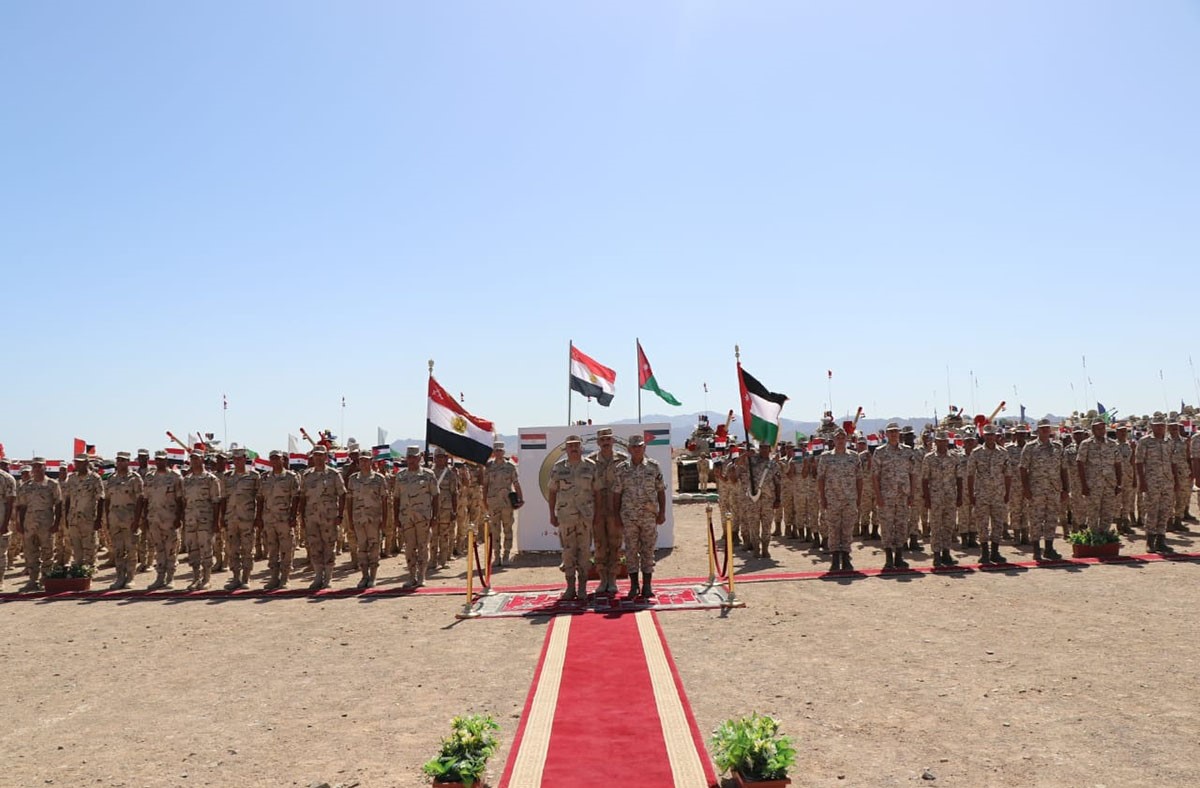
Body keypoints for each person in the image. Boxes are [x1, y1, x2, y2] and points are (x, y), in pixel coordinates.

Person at [547, 435, 600, 601]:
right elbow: (552, 492)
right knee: (568, 552)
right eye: (570, 446)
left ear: (581, 447)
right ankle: (570, 587)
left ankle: (582, 587)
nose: (574, 448)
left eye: (576, 445)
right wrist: (552, 514)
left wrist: (597, 514)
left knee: (584, 552)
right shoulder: (558, 468)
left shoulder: (591, 466)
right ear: (566, 449)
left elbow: (597, 492)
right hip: (566, 516)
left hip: (585, 517)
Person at [613, 434, 666, 599]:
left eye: (640, 446)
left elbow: (660, 490)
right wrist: (616, 516)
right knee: (631, 550)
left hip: (649, 516)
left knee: (648, 550)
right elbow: (617, 494)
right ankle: (634, 585)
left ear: (644, 448)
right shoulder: (621, 468)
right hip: (629, 516)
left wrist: (662, 512)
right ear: (629, 449)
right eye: (634, 446)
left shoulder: (653, 467)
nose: (637, 449)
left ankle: (647, 585)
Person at [1020, 419, 1068, 561]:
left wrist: (1066, 488)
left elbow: (1063, 469)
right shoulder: (1030, 447)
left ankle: (1049, 549)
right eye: (1042, 428)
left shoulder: (1058, 447)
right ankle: (1036, 550)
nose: (1045, 430)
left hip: (1054, 489)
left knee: (1051, 519)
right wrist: (1026, 489)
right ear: (1038, 430)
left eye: (1047, 428)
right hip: (1036, 490)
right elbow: (1023, 469)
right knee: (1036, 520)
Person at [299, 445, 346, 591]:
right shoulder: (307, 475)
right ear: (312, 457)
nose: (318, 458)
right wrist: (302, 517)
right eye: (316, 455)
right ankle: (318, 576)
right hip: (311, 517)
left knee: (329, 546)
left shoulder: (333, 474)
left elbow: (342, 494)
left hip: (329, 517)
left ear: (326, 457)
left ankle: (328, 577)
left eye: (321, 455)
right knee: (315, 546)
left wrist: (340, 515)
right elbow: (302, 497)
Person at [586, 427, 625, 594]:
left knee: (615, 545)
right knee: (600, 545)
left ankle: (613, 579)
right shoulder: (590, 461)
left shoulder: (623, 460)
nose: (605, 442)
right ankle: (603, 579)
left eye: (608, 439)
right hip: (598, 510)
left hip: (616, 510)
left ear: (613, 440)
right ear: (598, 442)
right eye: (602, 440)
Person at [817, 429, 862, 571]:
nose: (841, 440)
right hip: (832, 499)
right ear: (833, 440)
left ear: (846, 440)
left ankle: (846, 558)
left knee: (847, 529)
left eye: (843, 437)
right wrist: (822, 498)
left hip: (850, 499)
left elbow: (859, 479)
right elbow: (820, 479)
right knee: (833, 529)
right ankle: (835, 559)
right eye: (838, 438)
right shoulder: (825, 457)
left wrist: (859, 497)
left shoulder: (854, 457)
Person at [873, 423, 915, 569]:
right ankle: (888, 558)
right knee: (887, 526)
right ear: (886, 434)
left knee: (901, 525)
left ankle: (899, 557)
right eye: (891, 432)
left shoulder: (907, 451)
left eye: (896, 432)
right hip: (886, 496)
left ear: (899, 434)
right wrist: (878, 496)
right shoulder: (880, 452)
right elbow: (875, 476)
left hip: (903, 495)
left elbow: (912, 474)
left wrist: (912, 494)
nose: (893, 434)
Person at [15, 458, 61, 592]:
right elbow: (22, 507)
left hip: (46, 523)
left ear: (44, 467)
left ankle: (46, 580)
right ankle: (33, 580)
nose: (36, 469)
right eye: (34, 466)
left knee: (47, 552)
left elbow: (58, 504)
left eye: (39, 466)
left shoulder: (52, 484)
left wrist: (57, 523)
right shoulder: (26, 486)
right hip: (29, 524)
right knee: (30, 553)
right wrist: (20, 523)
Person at [393, 445, 436, 588]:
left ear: (420, 458)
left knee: (423, 547)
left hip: (423, 518)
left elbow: (435, 496)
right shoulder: (400, 476)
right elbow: (396, 498)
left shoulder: (428, 475)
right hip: (406, 518)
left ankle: (422, 576)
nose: (411, 460)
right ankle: (411, 576)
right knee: (409, 548)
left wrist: (434, 517)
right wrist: (396, 518)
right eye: (409, 457)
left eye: (414, 457)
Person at [968, 424, 1011, 564]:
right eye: (987, 435)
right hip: (982, 494)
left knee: (998, 523)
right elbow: (970, 475)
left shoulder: (1003, 453)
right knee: (982, 523)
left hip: (998, 493)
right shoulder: (976, 452)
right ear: (983, 436)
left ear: (996, 436)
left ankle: (995, 552)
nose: (990, 437)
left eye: (992, 435)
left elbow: (1008, 474)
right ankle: (985, 552)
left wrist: (1007, 492)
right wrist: (971, 494)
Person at [258, 450, 300, 590]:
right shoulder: (265, 478)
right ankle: (274, 577)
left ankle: (285, 578)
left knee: (287, 549)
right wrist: (259, 517)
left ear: (283, 460)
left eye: (277, 458)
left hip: (285, 519)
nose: (275, 461)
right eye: (272, 458)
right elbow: (261, 498)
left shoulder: (291, 477)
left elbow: (296, 498)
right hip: (269, 519)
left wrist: (293, 516)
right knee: (272, 549)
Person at [221, 448, 262, 590]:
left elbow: (259, 498)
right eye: (235, 459)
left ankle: (246, 578)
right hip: (231, 518)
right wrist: (222, 517)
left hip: (247, 518)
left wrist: (258, 517)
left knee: (247, 549)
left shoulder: (254, 476)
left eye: (240, 458)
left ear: (245, 459)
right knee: (232, 549)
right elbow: (223, 499)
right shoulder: (227, 477)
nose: (237, 461)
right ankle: (235, 577)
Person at [104, 452, 145, 590]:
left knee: (131, 549)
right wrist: (108, 518)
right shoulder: (111, 479)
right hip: (115, 519)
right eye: (118, 460)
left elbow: (140, 500)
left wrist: (137, 520)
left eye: (123, 460)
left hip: (129, 519)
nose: (120, 462)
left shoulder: (135, 478)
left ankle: (131, 577)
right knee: (118, 550)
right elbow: (107, 500)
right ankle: (120, 577)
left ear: (128, 462)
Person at [1136, 413, 1176, 554]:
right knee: (1152, 510)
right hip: (1151, 481)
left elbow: (1173, 462)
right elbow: (1139, 462)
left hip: (1167, 481)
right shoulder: (1145, 441)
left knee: (1165, 511)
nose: (1160, 428)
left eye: (1162, 425)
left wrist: (1175, 480)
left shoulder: (1169, 441)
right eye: (1157, 425)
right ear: (1152, 426)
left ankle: (1161, 540)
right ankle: (1150, 541)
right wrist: (1142, 482)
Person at [182, 452, 222, 590]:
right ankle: (195, 578)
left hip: (206, 520)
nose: (193, 461)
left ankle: (206, 579)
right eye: (192, 458)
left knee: (206, 549)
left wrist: (216, 522)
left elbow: (216, 502)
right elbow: (184, 501)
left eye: (196, 458)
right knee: (192, 550)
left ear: (202, 460)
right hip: (190, 520)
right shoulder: (187, 480)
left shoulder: (211, 479)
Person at [144, 451, 184, 590]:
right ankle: (160, 577)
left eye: (162, 460)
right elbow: (146, 499)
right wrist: (145, 518)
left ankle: (170, 578)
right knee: (159, 549)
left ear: (167, 461)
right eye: (157, 459)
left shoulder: (175, 477)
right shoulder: (149, 477)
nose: (159, 462)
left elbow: (180, 500)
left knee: (171, 549)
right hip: (154, 518)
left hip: (170, 519)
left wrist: (179, 518)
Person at [1076, 418, 1122, 537]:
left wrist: (1119, 484)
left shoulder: (1112, 444)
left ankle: (1104, 536)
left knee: (1107, 512)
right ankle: (1094, 537)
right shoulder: (1086, 444)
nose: (1101, 431)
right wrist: (1084, 485)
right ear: (1093, 430)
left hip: (1109, 484)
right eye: (1098, 428)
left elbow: (1117, 464)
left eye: (1103, 428)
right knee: (1093, 512)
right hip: (1093, 485)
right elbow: (1080, 464)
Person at [347, 452, 387, 589]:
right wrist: (350, 520)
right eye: (361, 460)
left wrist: (384, 520)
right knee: (362, 548)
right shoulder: (353, 479)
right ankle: (364, 576)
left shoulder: (379, 479)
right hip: (358, 519)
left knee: (374, 548)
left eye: (366, 460)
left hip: (374, 520)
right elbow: (349, 501)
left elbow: (384, 500)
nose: (363, 463)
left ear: (371, 461)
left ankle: (373, 577)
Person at [923, 431, 961, 567]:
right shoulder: (929, 458)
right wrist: (927, 499)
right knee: (935, 526)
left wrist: (960, 496)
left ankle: (946, 553)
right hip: (935, 498)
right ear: (936, 442)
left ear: (947, 442)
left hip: (950, 497)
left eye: (944, 441)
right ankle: (936, 555)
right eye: (939, 441)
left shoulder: (954, 457)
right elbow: (925, 480)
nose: (942, 443)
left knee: (949, 525)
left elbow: (959, 478)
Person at [482, 441, 523, 566]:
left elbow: (516, 484)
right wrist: (484, 501)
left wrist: (520, 499)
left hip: (507, 504)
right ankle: (497, 556)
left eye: (500, 450)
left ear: (504, 452)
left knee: (507, 529)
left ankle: (506, 555)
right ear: (493, 453)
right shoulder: (489, 467)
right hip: (493, 503)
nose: (498, 453)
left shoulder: (510, 467)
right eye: (496, 450)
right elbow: (485, 485)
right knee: (495, 531)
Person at [62, 454, 105, 568]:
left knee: (90, 545)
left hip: (88, 518)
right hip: (73, 518)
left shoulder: (95, 478)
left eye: (80, 462)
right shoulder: (71, 478)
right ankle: (78, 568)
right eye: (76, 462)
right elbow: (68, 498)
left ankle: (90, 568)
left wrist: (98, 519)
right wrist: (66, 516)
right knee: (76, 545)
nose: (77, 465)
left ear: (86, 463)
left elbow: (101, 499)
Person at [745, 441, 781, 559]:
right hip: (753, 499)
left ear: (769, 449)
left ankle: (765, 549)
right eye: (761, 447)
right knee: (753, 524)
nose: (763, 450)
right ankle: (756, 548)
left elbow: (778, 483)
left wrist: (778, 499)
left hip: (768, 499)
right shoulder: (751, 461)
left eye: (766, 448)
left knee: (767, 525)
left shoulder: (773, 465)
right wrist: (745, 455)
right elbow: (738, 463)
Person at [429, 448, 459, 570]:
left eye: (442, 457)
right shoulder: (429, 473)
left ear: (446, 459)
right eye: (438, 457)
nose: (440, 459)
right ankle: (432, 560)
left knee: (444, 535)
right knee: (433, 536)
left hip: (446, 509)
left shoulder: (450, 474)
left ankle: (443, 560)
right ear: (434, 458)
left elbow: (454, 493)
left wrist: (454, 510)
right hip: (432, 508)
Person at [0, 460, 15, 591]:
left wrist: (5, 524)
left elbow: (10, 503)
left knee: (1, 552)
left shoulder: (6, 478)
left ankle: (0, 580)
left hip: (1, 517)